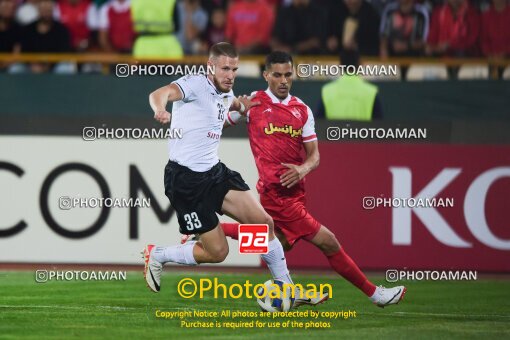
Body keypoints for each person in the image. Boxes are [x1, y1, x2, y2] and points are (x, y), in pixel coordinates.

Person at [218, 51, 406, 307]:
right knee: (329, 242)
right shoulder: (253, 103)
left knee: (274, 241)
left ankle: (211, 231)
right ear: (266, 76)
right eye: (277, 75)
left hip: (296, 193)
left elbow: (315, 156)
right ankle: (376, 294)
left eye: (287, 74)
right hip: (277, 195)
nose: (283, 80)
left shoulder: (302, 110)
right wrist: (230, 107)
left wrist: (302, 169)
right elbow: (218, 125)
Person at [143, 43, 323, 308]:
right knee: (218, 253)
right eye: (225, 68)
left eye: (234, 69)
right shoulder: (194, 84)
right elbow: (160, 92)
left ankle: (287, 289)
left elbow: (234, 103)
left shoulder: (226, 92)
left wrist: (242, 106)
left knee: (264, 224)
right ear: (210, 67)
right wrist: (159, 109)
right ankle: (158, 254)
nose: (230, 74)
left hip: (215, 173)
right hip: (185, 181)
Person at [316, 51, 383, 120]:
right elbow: (379, 127)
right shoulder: (371, 92)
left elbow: (317, 124)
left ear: (340, 66)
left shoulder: (327, 91)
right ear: (359, 65)